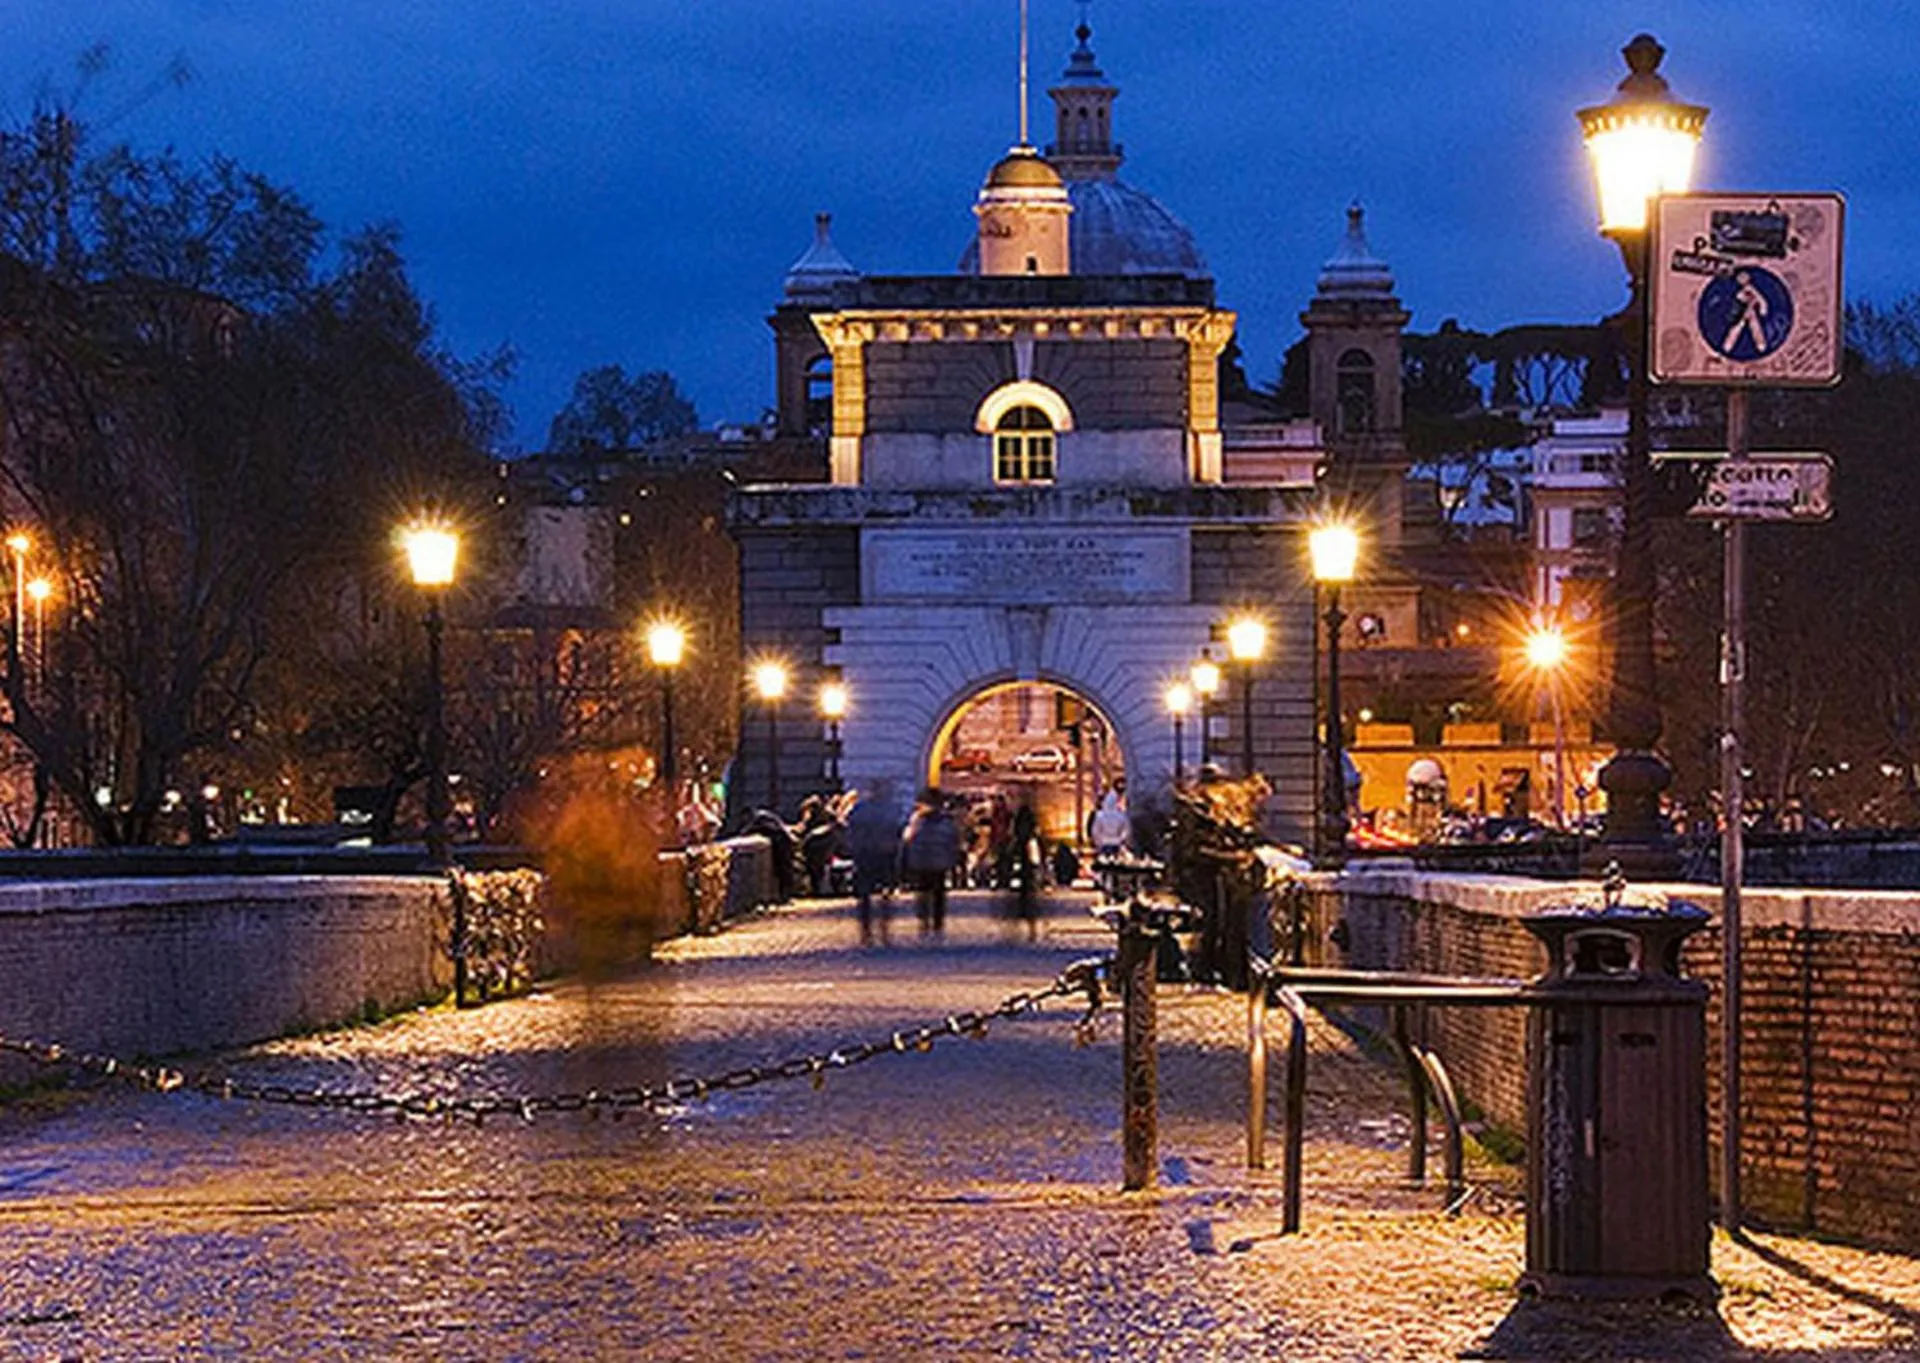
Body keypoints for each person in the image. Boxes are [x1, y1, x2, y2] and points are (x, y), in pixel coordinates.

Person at [843, 781, 902, 945]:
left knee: (867, 895)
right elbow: (898, 830)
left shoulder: (861, 809)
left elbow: (850, 828)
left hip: (867, 854)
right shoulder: (892, 809)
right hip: (881, 854)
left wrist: (853, 846)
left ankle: (869, 930)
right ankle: (881, 929)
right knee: (883, 893)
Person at [901, 787, 961, 934]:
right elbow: (953, 840)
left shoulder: (916, 820)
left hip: (922, 860)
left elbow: (908, 840)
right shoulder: (946, 821)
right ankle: (936, 921)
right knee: (937, 893)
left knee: (924, 892)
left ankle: (925, 920)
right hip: (938, 861)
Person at [1007, 800, 1042, 938]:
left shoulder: (1018, 838)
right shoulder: (1031, 838)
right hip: (1028, 862)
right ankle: (1028, 903)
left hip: (1021, 858)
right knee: (1029, 882)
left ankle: (1022, 903)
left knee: (1022, 882)